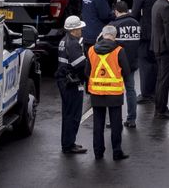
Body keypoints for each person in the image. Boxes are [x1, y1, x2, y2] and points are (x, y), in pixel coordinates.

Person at [83, 25, 130, 160]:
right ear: (114, 36)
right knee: (116, 124)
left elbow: (87, 72)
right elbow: (126, 71)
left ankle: (98, 152)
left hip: (96, 92)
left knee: (98, 123)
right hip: (114, 93)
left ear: (102, 35)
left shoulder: (91, 50)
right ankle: (116, 151)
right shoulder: (119, 51)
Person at [107, 2, 141, 128]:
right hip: (132, 63)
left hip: (116, 64)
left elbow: (106, 43)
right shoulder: (137, 24)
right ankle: (131, 119)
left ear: (116, 11)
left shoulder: (114, 25)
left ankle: (115, 119)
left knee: (115, 92)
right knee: (131, 90)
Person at [56, 15, 88, 154]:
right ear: (74, 30)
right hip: (72, 83)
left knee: (68, 113)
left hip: (64, 80)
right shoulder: (73, 43)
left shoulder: (64, 40)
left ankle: (68, 142)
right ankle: (69, 145)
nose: (81, 30)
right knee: (73, 115)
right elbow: (80, 64)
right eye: (79, 28)